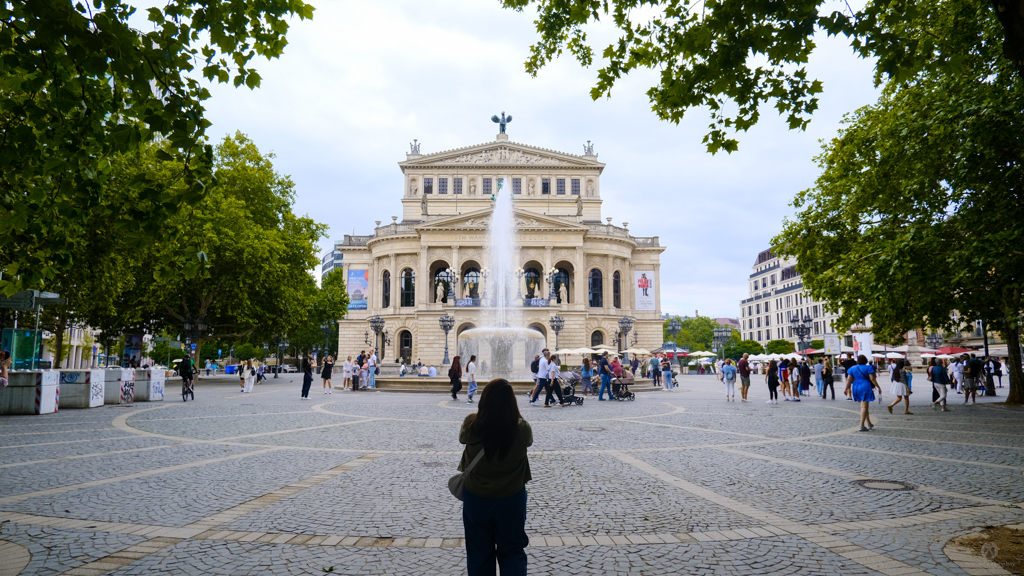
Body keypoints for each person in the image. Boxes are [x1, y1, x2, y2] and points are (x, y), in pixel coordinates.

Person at [458, 379, 532, 576]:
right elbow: (528, 441)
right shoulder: (521, 428)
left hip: (476, 497)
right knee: (513, 551)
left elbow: (462, 438)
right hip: (511, 497)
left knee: (479, 554)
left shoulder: (471, 424)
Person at [845, 355, 882, 431]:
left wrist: (846, 389)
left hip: (855, 386)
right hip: (865, 386)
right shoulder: (868, 368)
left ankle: (869, 423)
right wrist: (878, 387)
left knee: (864, 406)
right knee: (864, 407)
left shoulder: (852, 368)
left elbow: (848, 380)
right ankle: (861, 425)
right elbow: (872, 379)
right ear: (866, 360)